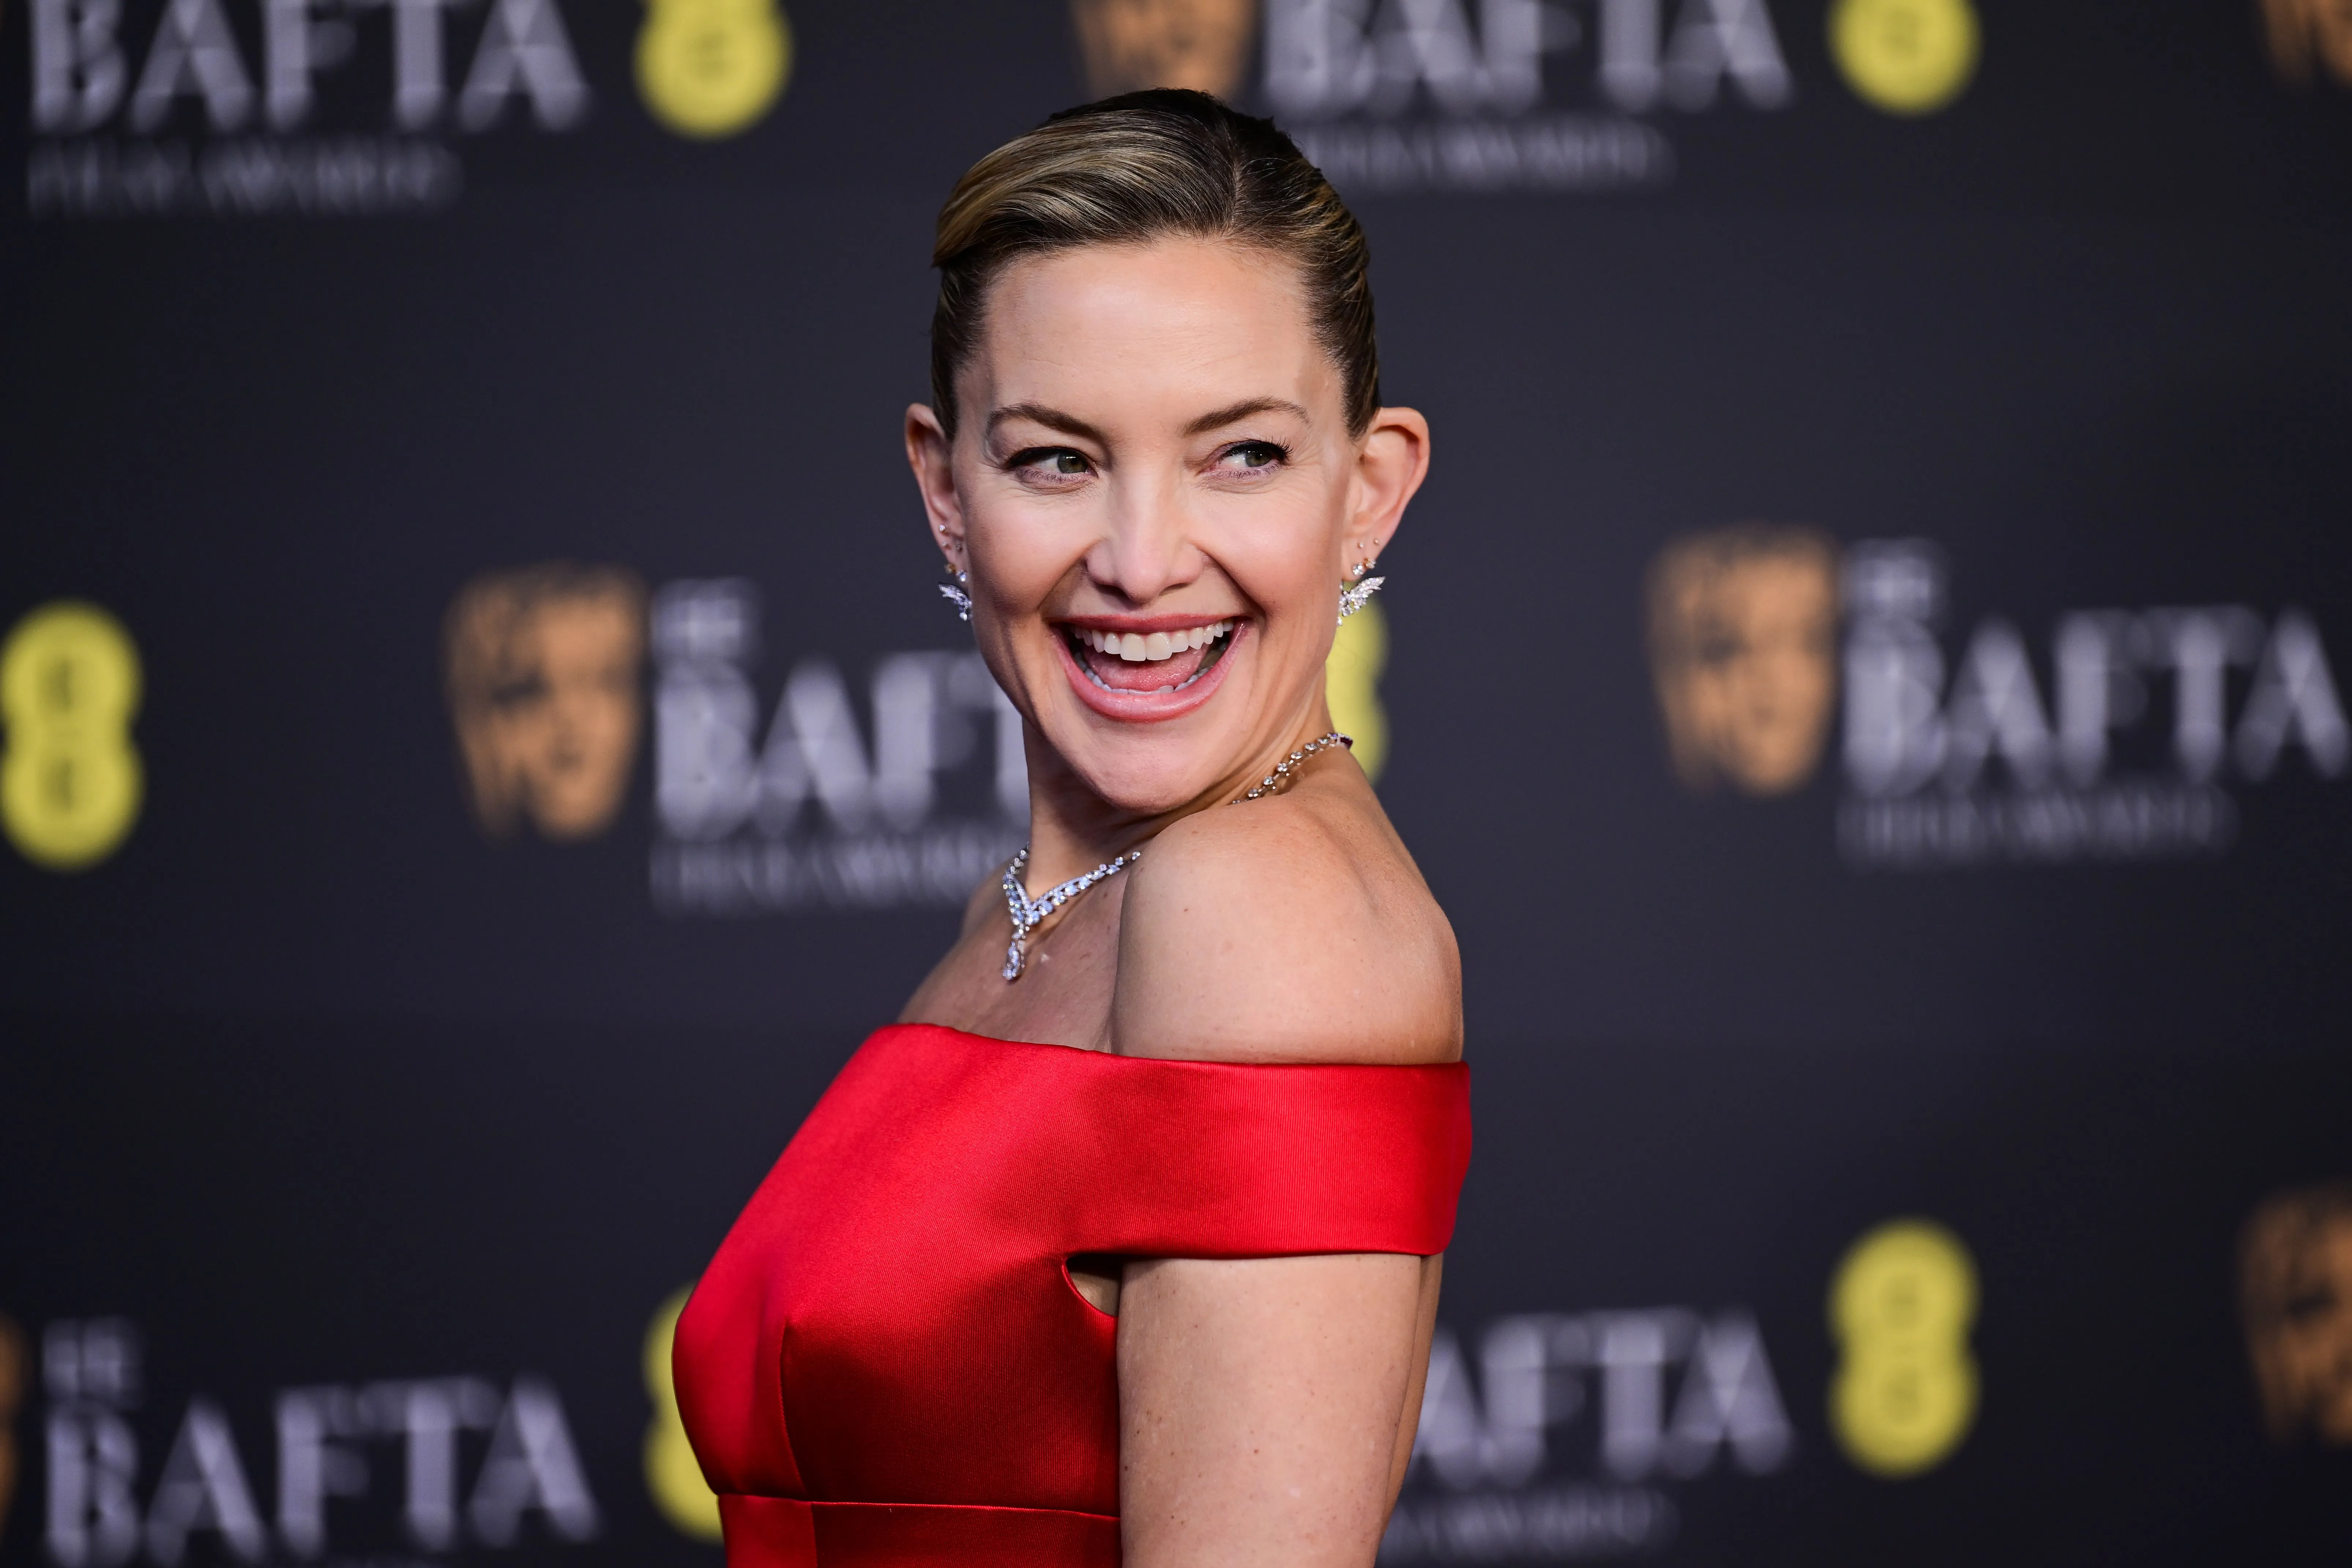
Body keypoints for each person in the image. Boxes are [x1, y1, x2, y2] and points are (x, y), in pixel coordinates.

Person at [673, 90, 1468, 1568]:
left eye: (1240, 455)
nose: (1144, 560)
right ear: (945, 490)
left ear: (1368, 491)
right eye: (1056, 458)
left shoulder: (1259, 903)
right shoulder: (1049, 904)